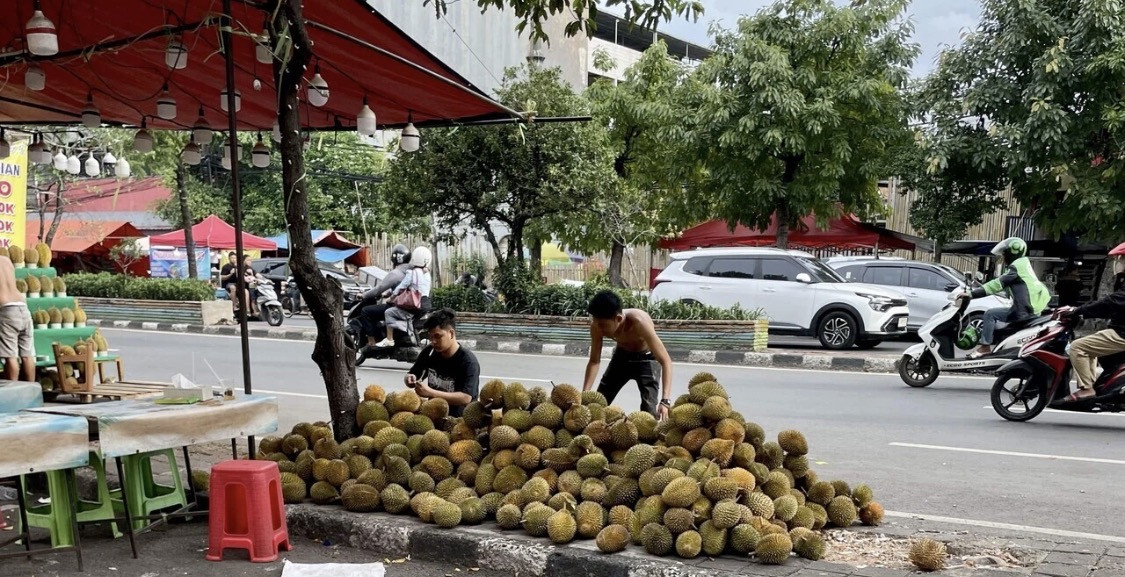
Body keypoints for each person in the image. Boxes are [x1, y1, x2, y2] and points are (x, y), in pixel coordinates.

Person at [581, 290, 673, 419]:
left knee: (649, 412)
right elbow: (594, 361)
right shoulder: (597, 326)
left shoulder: (639, 322)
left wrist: (665, 400)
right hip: (621, 357)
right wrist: (584, 394)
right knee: (598, 403)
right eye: (596, 323)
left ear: (618, 319)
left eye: (602, 325)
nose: (598, 328)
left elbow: (665, 361)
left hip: (646, 358)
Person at [967, 237, 1050, 358]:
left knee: (990, 314)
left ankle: (985, 347)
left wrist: (972, 294)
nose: (1003, 257)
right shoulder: (1024, 265)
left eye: (1005, 254)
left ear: (1012, 253)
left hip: (1023, 311)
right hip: (1031, 310)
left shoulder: (1015, 268)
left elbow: (997, 284)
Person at [1062, 243, 1125, 402]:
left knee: (1078, 347)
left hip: (1121, 334)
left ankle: (1087, 389)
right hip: (1119, 330)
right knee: (1093, 346)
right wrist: (1083, 313)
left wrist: (1077, 311)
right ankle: (1099, 388)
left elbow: (1108, 303)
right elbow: (1108, 307)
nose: (1118, 262)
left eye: (1121, 259)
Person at [403, 308, 479, 417]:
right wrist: (409, 378)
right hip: (433, 415)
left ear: (451, 334)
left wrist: (431, 393)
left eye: (438, 336)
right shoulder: (429, 351)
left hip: (459, 422)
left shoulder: (468, 361)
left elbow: (466, 398)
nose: (433, 341)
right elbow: (413, 373)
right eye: (430, 337)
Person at [355, 244, 412, 348]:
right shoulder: (411, 271)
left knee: (366, 311)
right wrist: (388, 292)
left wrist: (364, 295)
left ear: (394, 258)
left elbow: (378, 289)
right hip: (409, 306)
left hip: (398, 306)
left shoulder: (396, 273)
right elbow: (400, 287)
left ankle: (371, 342)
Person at [376, 246, 432, 348]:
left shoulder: (411, 273)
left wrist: (391, 298)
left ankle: (389, 339)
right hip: (426, 305)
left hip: (415, 305)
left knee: (389, 312)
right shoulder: (427, 274)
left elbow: (400, 288)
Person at [0, 255, 35, 382]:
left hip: (7, 310)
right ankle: (32, 390)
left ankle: (13, 391)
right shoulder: (6, 260)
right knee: (27, 355)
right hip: (23, 308)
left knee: (11, 356)